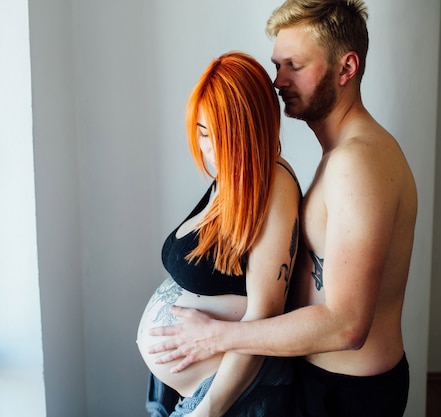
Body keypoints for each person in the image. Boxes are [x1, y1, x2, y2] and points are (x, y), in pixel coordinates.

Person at [148, 1, 418, 416]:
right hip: (325, 384)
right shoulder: (341, 155)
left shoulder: (358, 163)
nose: (277, 81)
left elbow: (346, 325)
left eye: (294, 65)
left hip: (345, 396)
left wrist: (218, 336)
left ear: (346, 69)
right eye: (278, 65)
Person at [136, 51, 301, 416]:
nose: (209, 148)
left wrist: (207, 410)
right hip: (184, 388)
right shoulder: (226, 180)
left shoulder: (273, 186)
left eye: (220, 135)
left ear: (251, 128)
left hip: (227, 396)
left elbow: (264, 318)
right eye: (202, 131)